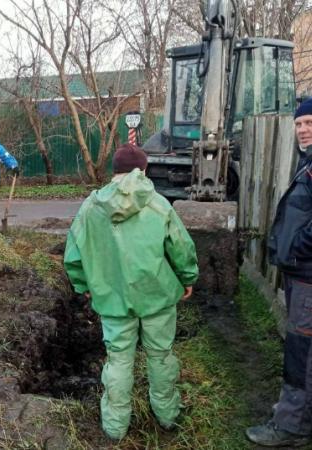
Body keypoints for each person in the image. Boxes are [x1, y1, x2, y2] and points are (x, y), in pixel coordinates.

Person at [64, 143, 198, 442]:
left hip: (111, 300)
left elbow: (73, 256)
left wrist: (84, 286)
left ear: (115, 171)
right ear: (144, 170)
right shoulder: (158, 203)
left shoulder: (90, 207)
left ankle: (115, 426)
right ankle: (167, 415)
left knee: (119, 360)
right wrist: (187, 277)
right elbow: (180, 247)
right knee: (161, 356)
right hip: (157, 297)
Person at [246, 98, 312, 447]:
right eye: (299, 124)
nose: (302, 130)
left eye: (309, 123)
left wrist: (297, 248)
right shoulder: (307, 164)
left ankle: (291, 426)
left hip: (307, 276)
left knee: (300, 353)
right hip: (301, 273)